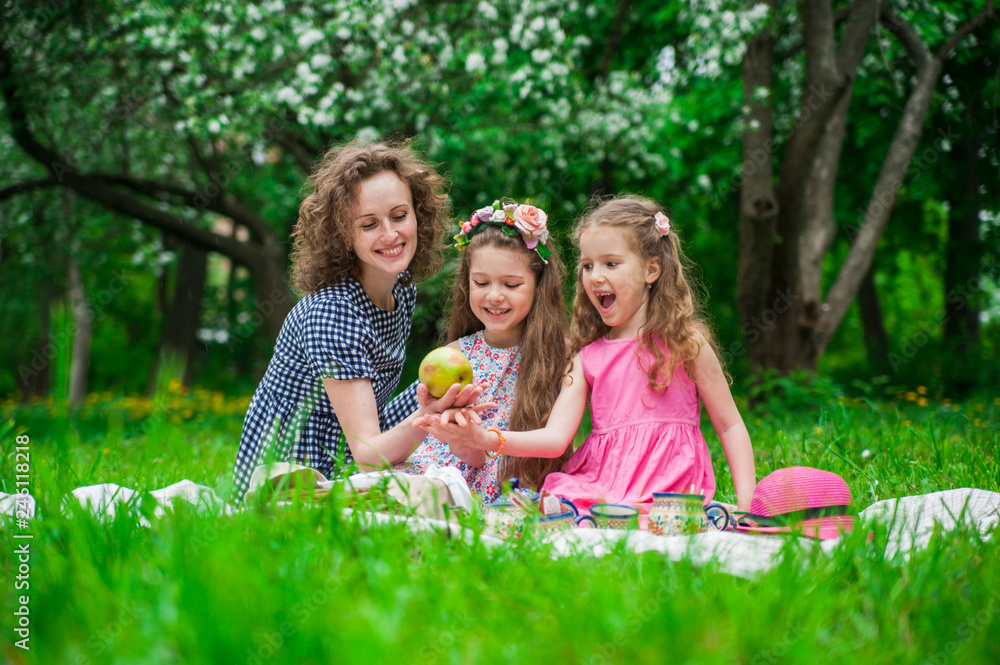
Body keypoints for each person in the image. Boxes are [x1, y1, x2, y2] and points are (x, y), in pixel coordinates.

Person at [416, 195, 757, 525]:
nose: (594, 276)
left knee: (661, 520)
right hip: (602, 482)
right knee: (544, 508)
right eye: (587, 265)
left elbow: (729, 425)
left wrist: (746, 504)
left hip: (670, 481)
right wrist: (488, 438)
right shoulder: (586, 356)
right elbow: (555, 439)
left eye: (611, 263)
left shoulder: (686, 344)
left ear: (651, 269)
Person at [231, 140, 484, 503]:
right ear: (343, 234)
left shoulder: (402, 289)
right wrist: (430, 415)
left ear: (418, 214)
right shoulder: (331, 314)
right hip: (296, 474)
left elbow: (373, 418)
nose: (390, 234)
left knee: (458, 386)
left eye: (399, 216)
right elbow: (368, 456)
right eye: (369, 224)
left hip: (353, 442)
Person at [394, 198, 572, 503]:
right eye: (481, 282)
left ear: (538, 285)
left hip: (504, 489)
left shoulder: (559, 355)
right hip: (444, 473)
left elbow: (555, 439)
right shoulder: (457, 353)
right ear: (467, 283)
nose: (494, 296)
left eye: (512, 285)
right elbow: (468, 457)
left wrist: (478, 438)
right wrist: (453, 430)